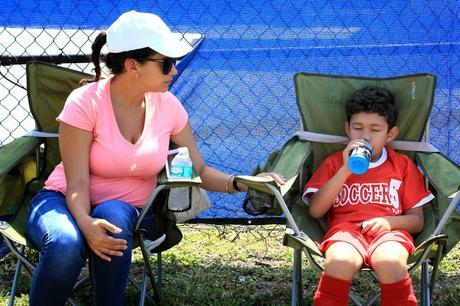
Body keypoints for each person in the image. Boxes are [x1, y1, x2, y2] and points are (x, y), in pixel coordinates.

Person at [25, 10, 284, 306]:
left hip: (128, 212)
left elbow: (197, 169)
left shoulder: (169, 107)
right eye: (166, 63)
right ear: (133, 65)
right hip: (63, 201)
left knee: (112, 216)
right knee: (65, 243)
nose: (174, 71)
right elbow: (77, 182)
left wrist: (244, 182)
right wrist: (84, 222)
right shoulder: (85, 103)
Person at [302, 86, 434, 306]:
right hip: (345, 233)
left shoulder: (402, 166)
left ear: (390, 134)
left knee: (391, 262)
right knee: (340, 260)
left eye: (375, 129)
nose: (365, 136)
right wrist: (345, 170)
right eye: (357, 128)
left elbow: (417, 220)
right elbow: (315, 211)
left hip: (390, 234)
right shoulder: (334, 163)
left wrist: (388, 222)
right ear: (347, 129)